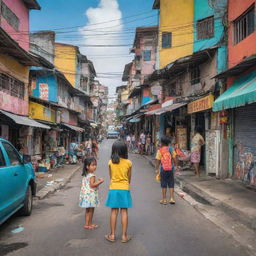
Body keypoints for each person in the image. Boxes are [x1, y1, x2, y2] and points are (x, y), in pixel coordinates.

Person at [105, 140, 132, 243]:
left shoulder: (110, 162)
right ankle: (124, 236)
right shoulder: (129, 163)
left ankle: (112, 235)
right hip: (124, 188)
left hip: (114, 188)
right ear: (125, 150)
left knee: (114, 211)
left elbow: (111, 176)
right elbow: (129, 179)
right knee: (124, 211)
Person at [79, 157, 104, 230]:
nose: (95, 166)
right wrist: (100, 181)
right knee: (91, 210)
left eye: (95, 165)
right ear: (87, 166)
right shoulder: (92, 175)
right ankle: (90, 224)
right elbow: (92, 185)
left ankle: (87, 224)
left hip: (85, 195)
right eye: (93, 165)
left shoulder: (85, 174)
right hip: (90, 195)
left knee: (87, 210)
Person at [155, 136, 177, 205]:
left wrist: (157, 169)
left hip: (163, 169)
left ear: (162, 143)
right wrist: (176, 166)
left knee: (163, 184)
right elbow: (174, 158)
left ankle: (164, 199)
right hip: (171, 169)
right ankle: (172, 198)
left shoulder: (160, 150)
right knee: (171, 183)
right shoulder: (171, 149)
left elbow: (158, 161)